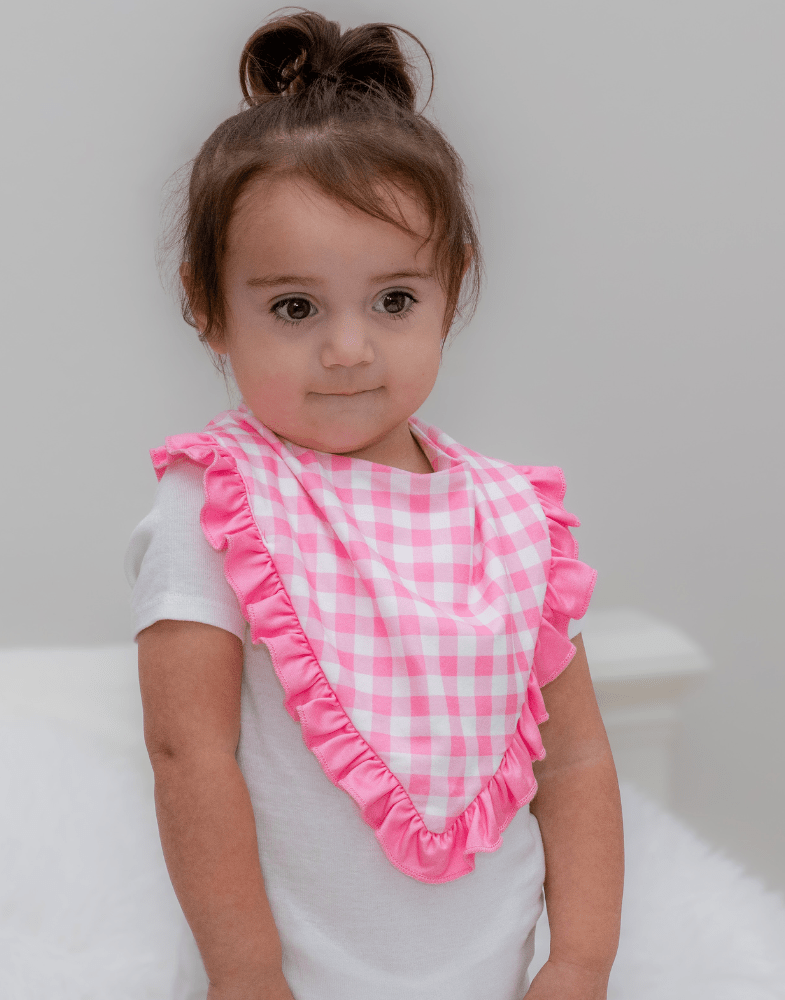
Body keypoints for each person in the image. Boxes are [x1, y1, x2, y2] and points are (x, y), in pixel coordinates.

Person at [126, 10, 624, 1000]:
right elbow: (189, 754)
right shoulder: (217, 503)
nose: (348, 350)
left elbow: (573, 763)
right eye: (295, 307)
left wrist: (578, 961)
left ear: (452, 287)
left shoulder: (511, 518)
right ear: (208, 305)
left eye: (394, 300)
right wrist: (245, 974)